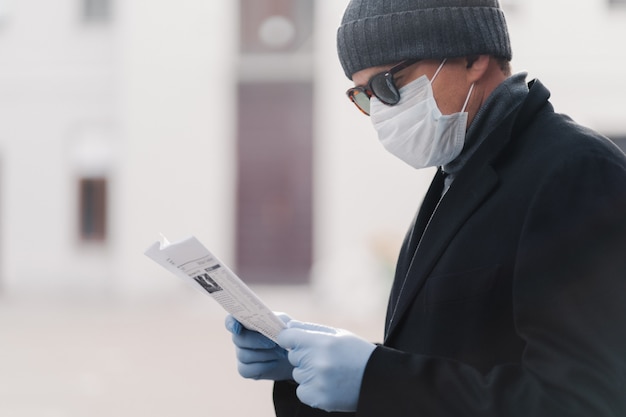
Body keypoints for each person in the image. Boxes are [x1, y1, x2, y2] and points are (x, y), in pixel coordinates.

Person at [225, 0, 626, 415]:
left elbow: (585, 401)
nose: (380, 112)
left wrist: (373, 378)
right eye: (364, 96)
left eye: (387, 85)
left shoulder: (575, 172)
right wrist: (308, 367)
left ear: (473, 57)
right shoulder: (457, 175)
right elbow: (443, 356)